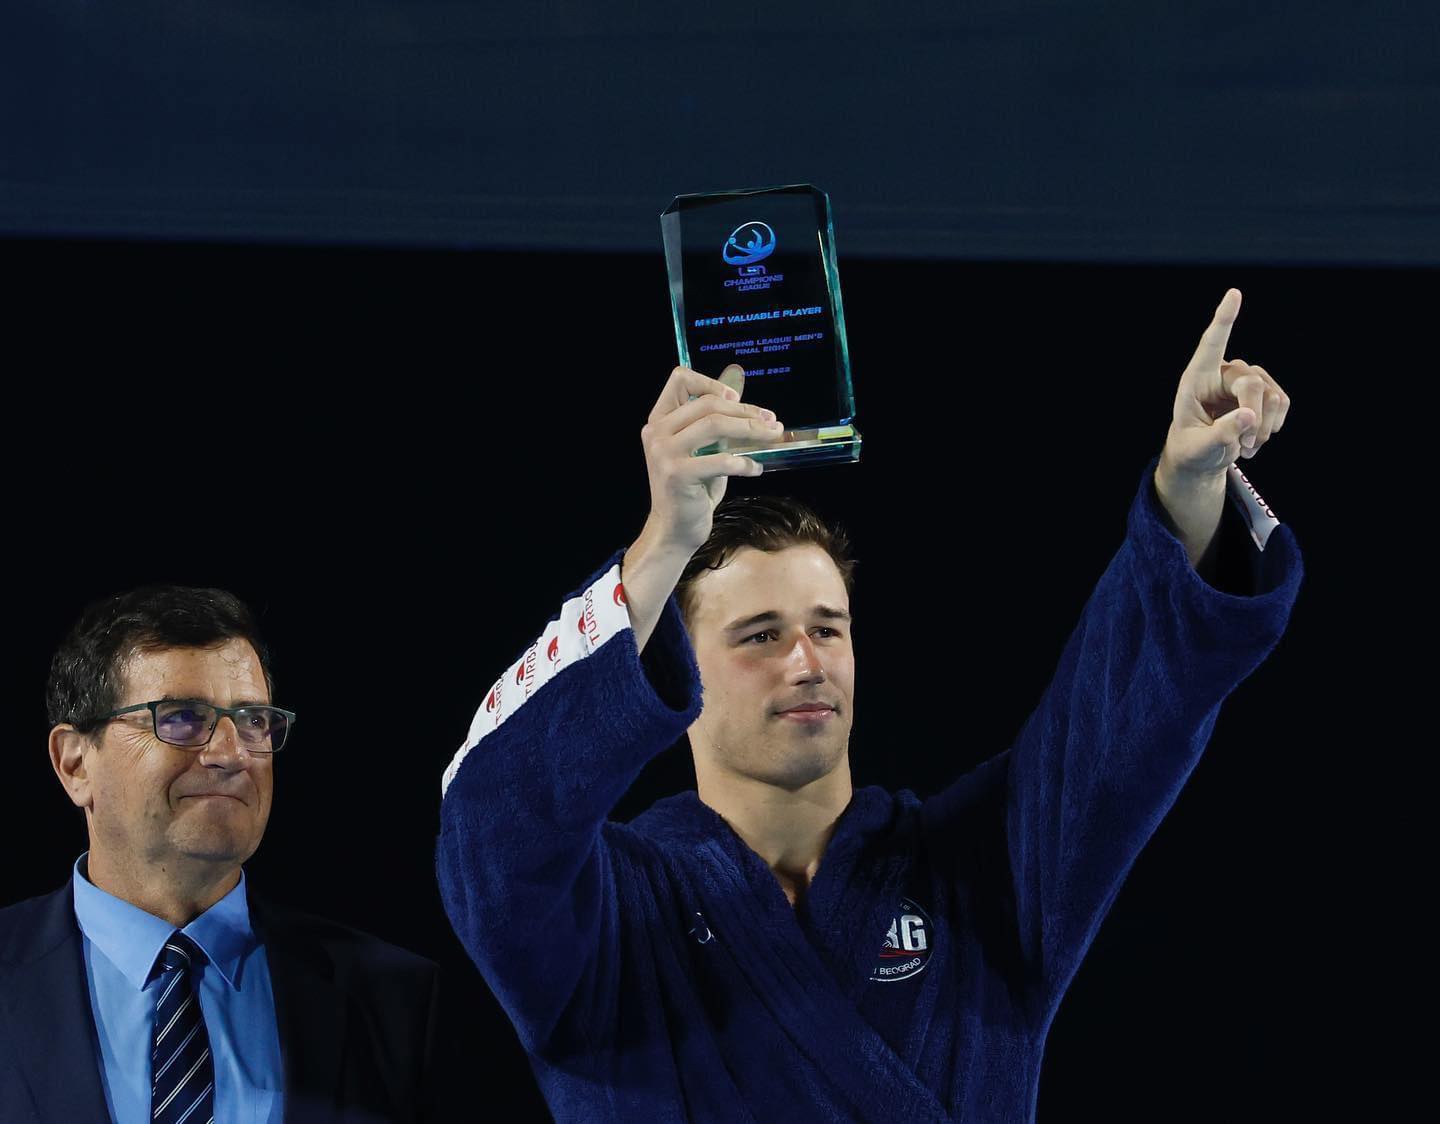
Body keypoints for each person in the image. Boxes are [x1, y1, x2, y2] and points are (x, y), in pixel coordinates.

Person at [437, 289, 1302, 1121]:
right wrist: (662, 545)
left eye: (827, 628)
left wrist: (1188, 487)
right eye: (760, 636)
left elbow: (1122, 720)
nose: (807, 661)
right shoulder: (608, 917)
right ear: (673, 670)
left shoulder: (984, 872)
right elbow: (494, 825)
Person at [1, 586, 446, 1123]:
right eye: (181, 717)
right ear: (75, 764)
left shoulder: (397, 1000)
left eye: (254, 720)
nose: (232, 753)